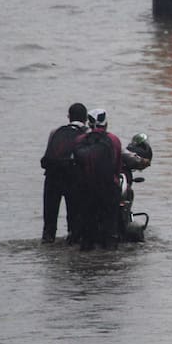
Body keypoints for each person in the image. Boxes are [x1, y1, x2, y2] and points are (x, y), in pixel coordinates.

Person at [73, 109, 123, 250]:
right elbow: (117, 167)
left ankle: (86, 253)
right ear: (106, 124)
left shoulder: (80, 140)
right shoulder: (113, 140)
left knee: (87, 230)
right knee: (110, 227)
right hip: (108, 189)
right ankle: (110, 254)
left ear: (89, 123)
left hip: (85, 190)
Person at [40, 103, 89, 244]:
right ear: (85, 118)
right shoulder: (87, 133)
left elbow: (48, 155)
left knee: (49, 219)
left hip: (52, 176)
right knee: (74, 218)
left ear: (68, 117)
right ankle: (72, 243)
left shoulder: (55, 132)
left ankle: (48, 243)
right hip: (73, 178)